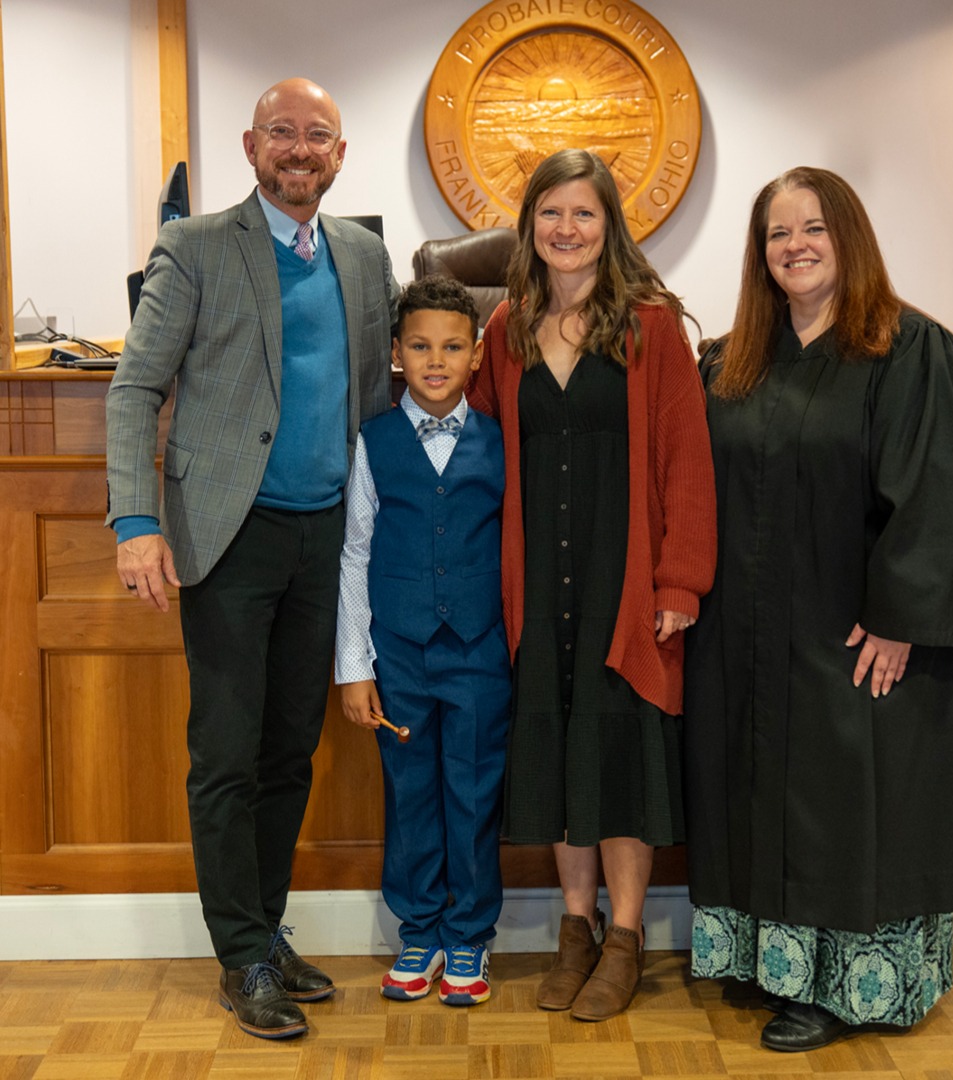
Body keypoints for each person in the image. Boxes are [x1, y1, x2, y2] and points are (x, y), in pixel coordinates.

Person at [684, 166, 953, 1053]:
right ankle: (774, 966)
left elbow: (943, 491)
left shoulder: (908, 350)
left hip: (857, 633)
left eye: (813, 228)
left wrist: (902, 616)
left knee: (845, 798)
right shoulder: (731, 359)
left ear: (849, 237)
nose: (794, 246)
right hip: (749, 634)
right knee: (760, 786)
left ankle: (848, 988)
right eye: (777, 233)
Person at [105, 78, 399, 1040]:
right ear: (250, 145)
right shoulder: (193, 249)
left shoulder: (363, 254)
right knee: (226, 757)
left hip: (324, 536)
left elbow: (374, 392)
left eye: (319, 135)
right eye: (283, 133)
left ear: (341, 155)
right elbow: (134, 388)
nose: (300, 149)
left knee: (288, 752)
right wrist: (136, 522)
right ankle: (241, 957)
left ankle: (265, 933)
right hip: (228, 538)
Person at [469, 148, 716, 1022]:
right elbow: (481, 459)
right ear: (527, 225)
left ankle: (625, 936)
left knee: (618, 761)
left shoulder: (651, 326)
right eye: (550, 214)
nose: (566, 230)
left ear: (610, 228)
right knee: (561, 761)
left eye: (584, 215)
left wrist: (681, 579)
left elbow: (688, 462)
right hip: (538, 591)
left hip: (626, 586)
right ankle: (572, 932)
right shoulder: (503, 330)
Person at [335, 274, 510, 1007]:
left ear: (476, 354)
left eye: (452, 346)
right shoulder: (373, 441)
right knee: (411, 794)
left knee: (473, 793)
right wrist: (354, 666)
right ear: (398, 353)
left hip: (479, 652)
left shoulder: (503, 441)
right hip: (399, 655)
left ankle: (469, 936)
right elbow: (353, 552)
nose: (436, 361)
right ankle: (420, 929)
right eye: (419, 346)